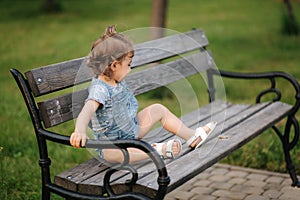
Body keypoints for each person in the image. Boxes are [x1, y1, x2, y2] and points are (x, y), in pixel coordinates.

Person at [70, 25, 217, 163]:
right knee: (111, 153)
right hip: (115, 144)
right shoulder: (100, 89)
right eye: (128, 65)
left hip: (133, 129)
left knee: (158, 109)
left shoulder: (115, 80)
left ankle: (191, 136)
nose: (130, 69)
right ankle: (156, 151)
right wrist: (80, 130)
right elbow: (87, 110)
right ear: (114, 65)